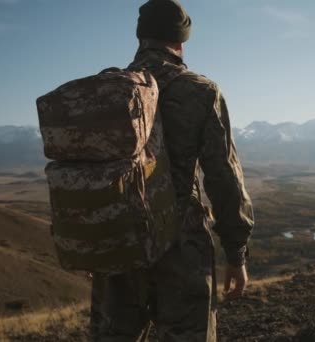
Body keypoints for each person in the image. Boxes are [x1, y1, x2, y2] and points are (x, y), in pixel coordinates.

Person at [89, 0, 254, 341]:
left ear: (140, 38)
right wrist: (236, 252)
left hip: (118, 244)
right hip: (181, 248)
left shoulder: (105, 90)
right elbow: (224, 178)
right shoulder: (201, 91)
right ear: (181, 41)